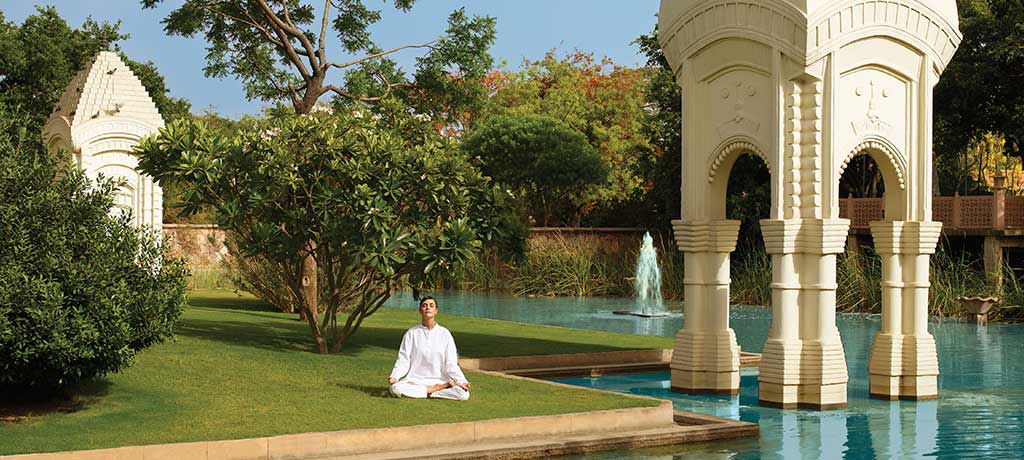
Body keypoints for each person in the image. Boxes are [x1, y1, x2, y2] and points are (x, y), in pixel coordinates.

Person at [388, 296, 471, 400]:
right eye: (424, 306)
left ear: (436, 311)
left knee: (463, 394)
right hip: (416, 380)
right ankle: (434, 391)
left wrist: (462, 381)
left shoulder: (445, 334)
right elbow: (403, 359)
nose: (428, 308)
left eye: (431, 306)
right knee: (395, 388)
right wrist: (395, 376)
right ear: (420, 310)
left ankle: (429, 391)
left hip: (439, 379)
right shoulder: (411, 333)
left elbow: (451, 363)